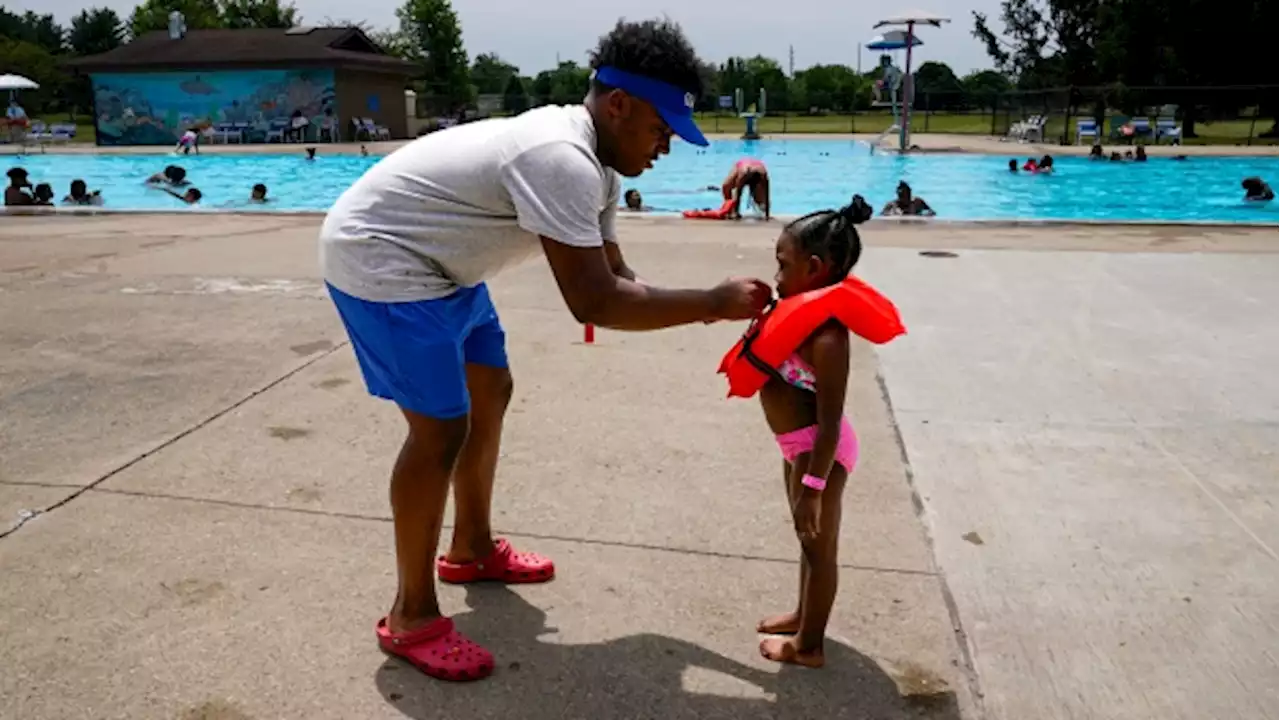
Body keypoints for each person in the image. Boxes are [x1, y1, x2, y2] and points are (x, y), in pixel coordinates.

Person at [318, 17, 771, 683]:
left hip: (448, 268)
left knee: (490, 390)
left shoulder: (600, 169)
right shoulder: (558, 157)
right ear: (618, 104)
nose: (666, 146)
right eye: (661, 127)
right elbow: (594, 303)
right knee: (440, 428)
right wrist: (710, 303)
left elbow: (617, 278)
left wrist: (708, 303)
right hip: (383, 260)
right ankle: (411, 614)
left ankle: (470, 547)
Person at [751, 194, 874, 668]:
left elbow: (829, 422)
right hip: (797, 448)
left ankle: (809, 647)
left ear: (816, 268)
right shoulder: (797, 314)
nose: (778, 275)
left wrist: (814, 488)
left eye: (783, 266)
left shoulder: (828, 337)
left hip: (819, 452)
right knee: (806, 541)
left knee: (820, 549)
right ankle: (804, 614)